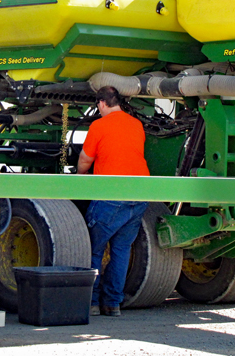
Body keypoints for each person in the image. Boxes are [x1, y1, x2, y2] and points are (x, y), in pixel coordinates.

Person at [77, 86, 149, 317]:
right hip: (139, 196)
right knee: (121, 250)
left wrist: (79, 178)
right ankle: (113, 304)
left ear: (101, 104)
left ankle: (91, 303)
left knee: (94, 249)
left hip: (111, 196)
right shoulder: (136, 124)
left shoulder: (99, 125)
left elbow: (86, 158)